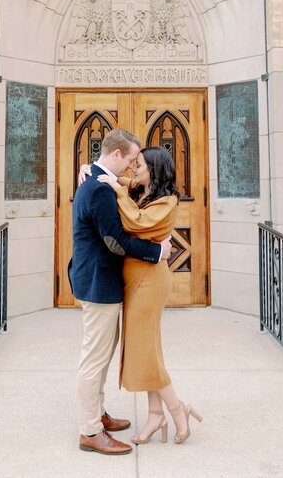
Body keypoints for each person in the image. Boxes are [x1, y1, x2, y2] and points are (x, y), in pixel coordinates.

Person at [69, 129, 172, 456]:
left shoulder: (95, 180)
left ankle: (97, 414)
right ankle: (89, 431)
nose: (131, 167)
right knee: (95, 358)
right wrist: (156, 253)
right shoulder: (99, 189)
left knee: (101, 354)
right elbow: (114, 240)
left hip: (100, 281)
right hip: (99, 282)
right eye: (130, 159)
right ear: (115, 155)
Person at [95, 145, 203, 446]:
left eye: (139, 165)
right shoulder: (143, 191)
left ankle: (176, 408)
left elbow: (136, 223)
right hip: (134, 278)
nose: (133, 169)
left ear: (154, 169)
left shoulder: (166, 201)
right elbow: (118, 179)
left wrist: (115, 190)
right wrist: (88, 171)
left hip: (150, 280)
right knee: (148, 348)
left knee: (143, 348)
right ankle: (155, 414)